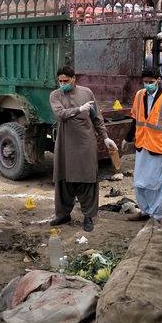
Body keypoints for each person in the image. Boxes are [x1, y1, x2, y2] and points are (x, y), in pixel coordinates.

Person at [49, 66, 118, 232]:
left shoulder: (87, 93)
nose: (63, 84)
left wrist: (105, 137)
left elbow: (97, 117)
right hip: (65, 143)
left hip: (85, 143)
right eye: (60, 81)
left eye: (66, 80)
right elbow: (60, 114)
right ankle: (63, 214)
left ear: (74, 78)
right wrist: (79, 109)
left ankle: (88, 215)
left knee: (87, 178)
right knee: (64, 179)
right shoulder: (55, 95)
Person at [122, 69, 162, 222]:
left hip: (159, 147)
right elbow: (135, 119)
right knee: (140, 182)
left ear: (158, 80)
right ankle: (144, 211)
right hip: (142, 144)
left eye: (151, 82)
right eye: (145, 82)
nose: (148, 85)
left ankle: (156, 216)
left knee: (156, 185)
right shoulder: (139, 95)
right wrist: (127, 138)